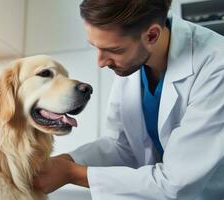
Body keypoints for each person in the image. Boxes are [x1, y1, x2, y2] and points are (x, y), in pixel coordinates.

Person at [33, 0, 224, 199]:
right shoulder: (133, 63)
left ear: (152, 35)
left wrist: (71, 173)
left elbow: (177, 183)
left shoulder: (216, 66)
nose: (100, 62)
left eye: (114, 50)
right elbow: (120, 146)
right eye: (95, 47)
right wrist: (66, 160)